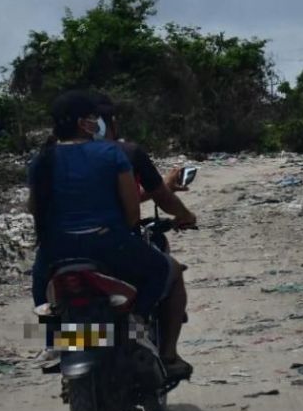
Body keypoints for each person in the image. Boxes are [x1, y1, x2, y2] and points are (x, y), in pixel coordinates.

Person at [28, 91, 191, 379]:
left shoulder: (41, 161)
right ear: (83, 123)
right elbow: (131, 213)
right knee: (169, 271)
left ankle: (53, 341)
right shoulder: (112, 153)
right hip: (108, 244)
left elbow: (35, 209)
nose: (96, 122)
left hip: (55, 250)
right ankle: (139, 327)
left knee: (42, 295)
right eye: (91, 118)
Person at [90, 93, 194, 378]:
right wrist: (184, 214)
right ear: (110, 122)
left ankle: (55, 341)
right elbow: (134, 207)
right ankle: (167, 354)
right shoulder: (124, 153)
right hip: (115, 244)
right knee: (170, 270)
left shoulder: (54, 158)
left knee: (49, 307)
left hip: (62, 249)